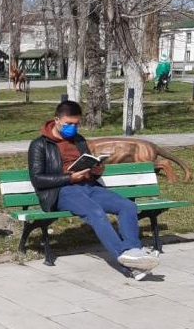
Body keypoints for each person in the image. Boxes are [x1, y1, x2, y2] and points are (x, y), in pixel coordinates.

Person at [27, 101, 159, 278]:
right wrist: (69, 178)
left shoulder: (79, 140)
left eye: (76, 124)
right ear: (57, 120)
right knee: (95, 212)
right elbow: (37, 179)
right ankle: (128, 263)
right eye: (68, 124)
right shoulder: (39, 145)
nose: (73, 128)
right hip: (62, 191)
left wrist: (97, 168)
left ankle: (133, 254)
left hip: (88, 186)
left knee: (127, 206)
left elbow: (89, 167)